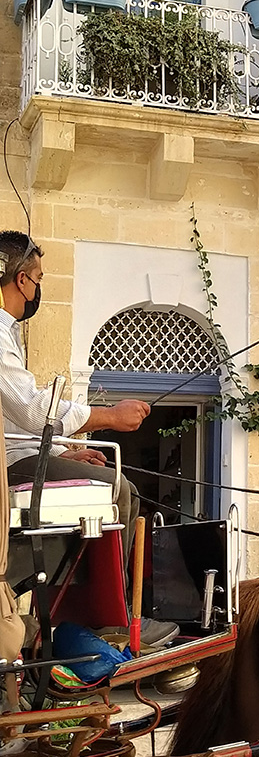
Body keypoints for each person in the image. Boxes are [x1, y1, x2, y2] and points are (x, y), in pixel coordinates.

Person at [0, 230, 149, 561]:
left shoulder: (8, 332)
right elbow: (34, 412)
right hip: (7, 466)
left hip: (20, 456)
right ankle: (104, 606)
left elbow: (15, 417)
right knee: (116, 488)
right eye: (38, 279)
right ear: (22, 280)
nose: (37, 288)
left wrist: (58, 454)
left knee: (130, 492)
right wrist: (110, 416)